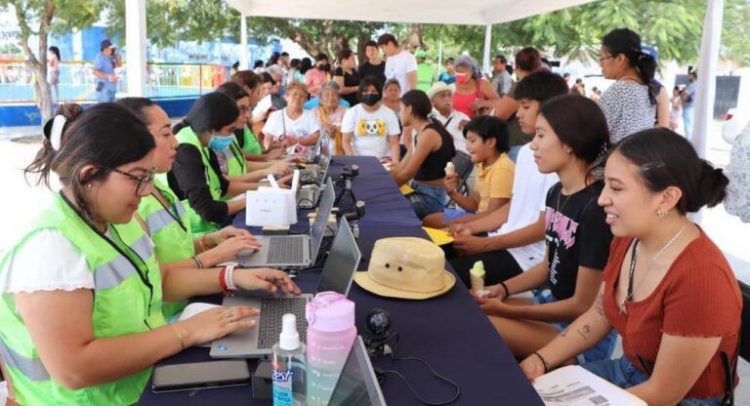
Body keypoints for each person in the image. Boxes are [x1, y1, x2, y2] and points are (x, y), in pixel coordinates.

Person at [0, 103, 299, 405]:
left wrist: (232, 277)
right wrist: (186, 332)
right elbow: (74, 369)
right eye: (138, 178)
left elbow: (159, 278)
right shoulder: (49, 247)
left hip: (144, 378)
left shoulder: (115, 219)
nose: (145, 191)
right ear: (90, 174)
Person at [521, 129, 740, 406]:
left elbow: (663, 394)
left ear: (666, 198)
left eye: (616, 187)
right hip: (629, 371)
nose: (601, 199)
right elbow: (600, 313)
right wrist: (541, 359)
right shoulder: (628, 241)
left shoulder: (701, 280)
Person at [473, 95, 616, 362]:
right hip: (551, 305)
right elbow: (547, 266)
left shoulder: (596, 209)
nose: (532, 146)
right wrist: (501, 290)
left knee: (484, 326)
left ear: (570, 142)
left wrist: (509, 310)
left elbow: (581, 305)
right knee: (473, 309)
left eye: (541, 136)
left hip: (578, 334)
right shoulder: (555, 193)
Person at [449, 70, 568, 287]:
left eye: (525, 107)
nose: (518, 114)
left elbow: (542, 228)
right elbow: (514, 207)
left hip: (528, 259)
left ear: (550, 107)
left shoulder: (558, 161)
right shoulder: (524, 153)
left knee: (448, 275)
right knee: (439, 250)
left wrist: (485, 244)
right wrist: (471, 228)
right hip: (503, 240)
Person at [169, 93, 257, 235]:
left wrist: (266, 189)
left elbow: (223, 187)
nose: (231, 136)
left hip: (212, 228)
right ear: (211, 126)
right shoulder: (186, 151)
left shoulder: (204, 144)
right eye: (230, 130)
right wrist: (250, 201)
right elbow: (207, 210)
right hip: (196, 233)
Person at [422, 115, 513, 229]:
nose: (467, 147)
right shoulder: (482, 164)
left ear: (490, 142)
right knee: (428, 220)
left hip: (489, 225)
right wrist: (452, 193)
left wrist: (459, 222)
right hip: (478, 215)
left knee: (439, 227)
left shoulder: (502, 169)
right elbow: (475, 205)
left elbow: (493, 216)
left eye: (472, 141)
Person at [390, 90, 456, 219]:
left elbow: (408, 173)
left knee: (389, 207)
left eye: (401, 110)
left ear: (409, 109)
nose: (399, 114)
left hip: (430, 198)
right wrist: (382, 180)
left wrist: (382, 190)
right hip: (420, 191)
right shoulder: (420, 132)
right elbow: (401, 167)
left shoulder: (429, 135)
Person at [214, 82, 290, 181]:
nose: (248, 115)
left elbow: (241, 163)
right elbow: (224, 184)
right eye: (242, 109)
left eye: (248, 109)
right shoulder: (213, 139)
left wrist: (274, 164)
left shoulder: (228, 134)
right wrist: (267, 167)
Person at [598, 28, 658, 143]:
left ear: (620, 59)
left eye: (602, 58)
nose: (600, 64)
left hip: (616, 158)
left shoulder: (620, 90)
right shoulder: (645, 89)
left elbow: (595, 133)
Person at [494, 47, 543, 162]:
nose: (520, 113)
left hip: (519, 145)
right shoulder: (542, 84)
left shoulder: (523, 85)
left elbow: (500, 114)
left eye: (525, 107)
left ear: (516, 66)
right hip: (534, 142)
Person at [341, 76, 401, 162]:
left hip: (383, 160)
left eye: (373, 91)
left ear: (379, 93)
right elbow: (346, 141)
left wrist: (395, 163)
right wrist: (352, 159)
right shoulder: (352, 113)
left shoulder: (389, 114)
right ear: (360, 93)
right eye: (365, 91)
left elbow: (394, 143)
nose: (369, 94)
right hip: (358, 160)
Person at [231, 70, 283, 161]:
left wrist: (268, 151)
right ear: (247, 90)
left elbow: (253, 153)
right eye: (258, 92)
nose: (259, 98)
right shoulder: (235, 122)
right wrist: (267, 158)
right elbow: (237, 156)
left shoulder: (246, 122)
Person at [262, 82, 320, 151]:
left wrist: (296, 141)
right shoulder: (275, 116)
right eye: (295, 94)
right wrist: (269, 150)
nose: (298, 98)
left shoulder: (310, 115)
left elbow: (316, 138)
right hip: (280, 158)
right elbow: (268, 138)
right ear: (286, 97)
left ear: (305, 100)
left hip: (305, 159)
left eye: (302, 96)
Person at [426, 81, 470, 154]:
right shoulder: (428, 119)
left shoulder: (462, 117)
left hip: (465, 158)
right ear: (433, 101)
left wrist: (470, 127)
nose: (447, 98)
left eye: (449, 95)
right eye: (442, 95)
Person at [451, 54, 499, 119]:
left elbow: (498, 101)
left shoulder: (482, 84)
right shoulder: (451, 87)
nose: (460, 75)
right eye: (458, 72)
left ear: (471, 72)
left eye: (463, 72)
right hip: (454, 127)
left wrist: (483, 103)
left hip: (477, 126)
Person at [314, 81, 348, 155]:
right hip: (318, 153)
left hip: (341, 153)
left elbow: (349, 133)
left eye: (334, 94)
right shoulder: (313, 113)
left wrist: (336, 131)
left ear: (339, 98)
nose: (331, 97)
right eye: (327, 95)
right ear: (320, 97)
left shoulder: (346, 112)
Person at [682, 69, 697, 140]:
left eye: (689, 75)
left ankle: (689, 143)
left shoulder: (692, 85)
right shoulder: (697, 85)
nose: (688, 76)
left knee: (688, 128)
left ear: (693, 76)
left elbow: (684, 97)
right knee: (689, 126)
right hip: (692, 108)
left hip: (688, 108)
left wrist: (682, 94)